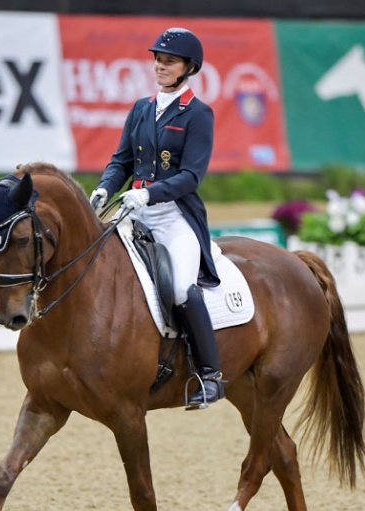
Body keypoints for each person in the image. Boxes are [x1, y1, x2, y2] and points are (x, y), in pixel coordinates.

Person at [90, 27, 225, 409]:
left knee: (182, 287)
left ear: (188, 67)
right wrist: (104, 188)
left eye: (169, 61)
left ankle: (211, 376)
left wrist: (148, 192)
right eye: (158, 59)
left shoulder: (198, 114)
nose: (160, 65)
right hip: (133, 210)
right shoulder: (141, 108)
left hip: (173, 216)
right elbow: (122, 161)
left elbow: (191, 176)